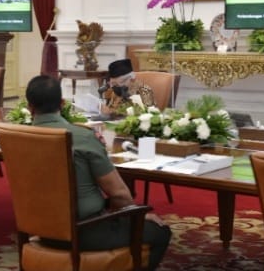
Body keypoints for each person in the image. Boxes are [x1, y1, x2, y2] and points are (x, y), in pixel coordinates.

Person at [26, 75, 171, 270]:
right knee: (161, 232)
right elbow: (119, 194)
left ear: (29, 107)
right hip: (84, 231)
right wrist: (137, 216)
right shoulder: (82, 137)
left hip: (40, 229)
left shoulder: (17, 136)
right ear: (62, 103)